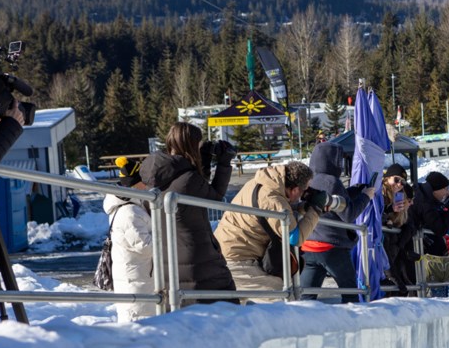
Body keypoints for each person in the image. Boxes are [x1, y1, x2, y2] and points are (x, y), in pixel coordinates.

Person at [140, 122, 236, 303]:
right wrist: (224, 164)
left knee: (183, 314)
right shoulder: (189, 178)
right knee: (226, 306)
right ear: (192, 145)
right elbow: (213, 197)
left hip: (168, 258)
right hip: (199, 257)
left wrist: (205, 159)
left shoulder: (157, 176)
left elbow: (193, 187)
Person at [214, 161, 319, 300]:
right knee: (284, 299)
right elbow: (295, 237)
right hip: (237, 260)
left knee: (237, 314)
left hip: (225, 251)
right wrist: (316, 210)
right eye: (304, 189)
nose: (304, 193)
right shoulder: (273, 200)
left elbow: (272, 211)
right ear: (294, 189)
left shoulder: (264, 182)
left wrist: (302, 207)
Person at [298, 142, 375, 303]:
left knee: (306, 298)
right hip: (332, 248)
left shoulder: (310, 180)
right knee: (351, 295)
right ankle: (352, 327)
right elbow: (348, 214)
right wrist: (366, 196)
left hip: (309, 247)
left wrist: (353, 191)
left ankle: (304, 327)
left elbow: (333, 203)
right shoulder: (332, 181)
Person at [103, 157, 154, 322]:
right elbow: (145, 246)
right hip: (135, 281)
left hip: (138, 276)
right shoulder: (130, 213)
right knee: (137, 323)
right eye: (143, 182)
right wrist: (167, 239)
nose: (147, 186)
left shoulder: (131, 207)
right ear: (134, 184)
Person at [411, 171, 449, 296]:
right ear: (436, 189)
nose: (447, 192)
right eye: (445, 189)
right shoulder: (425, 202)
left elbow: (438, 220)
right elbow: (440, 228)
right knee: (433, 297)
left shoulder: (428, 198)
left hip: (430, 254)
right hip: (424, 255)